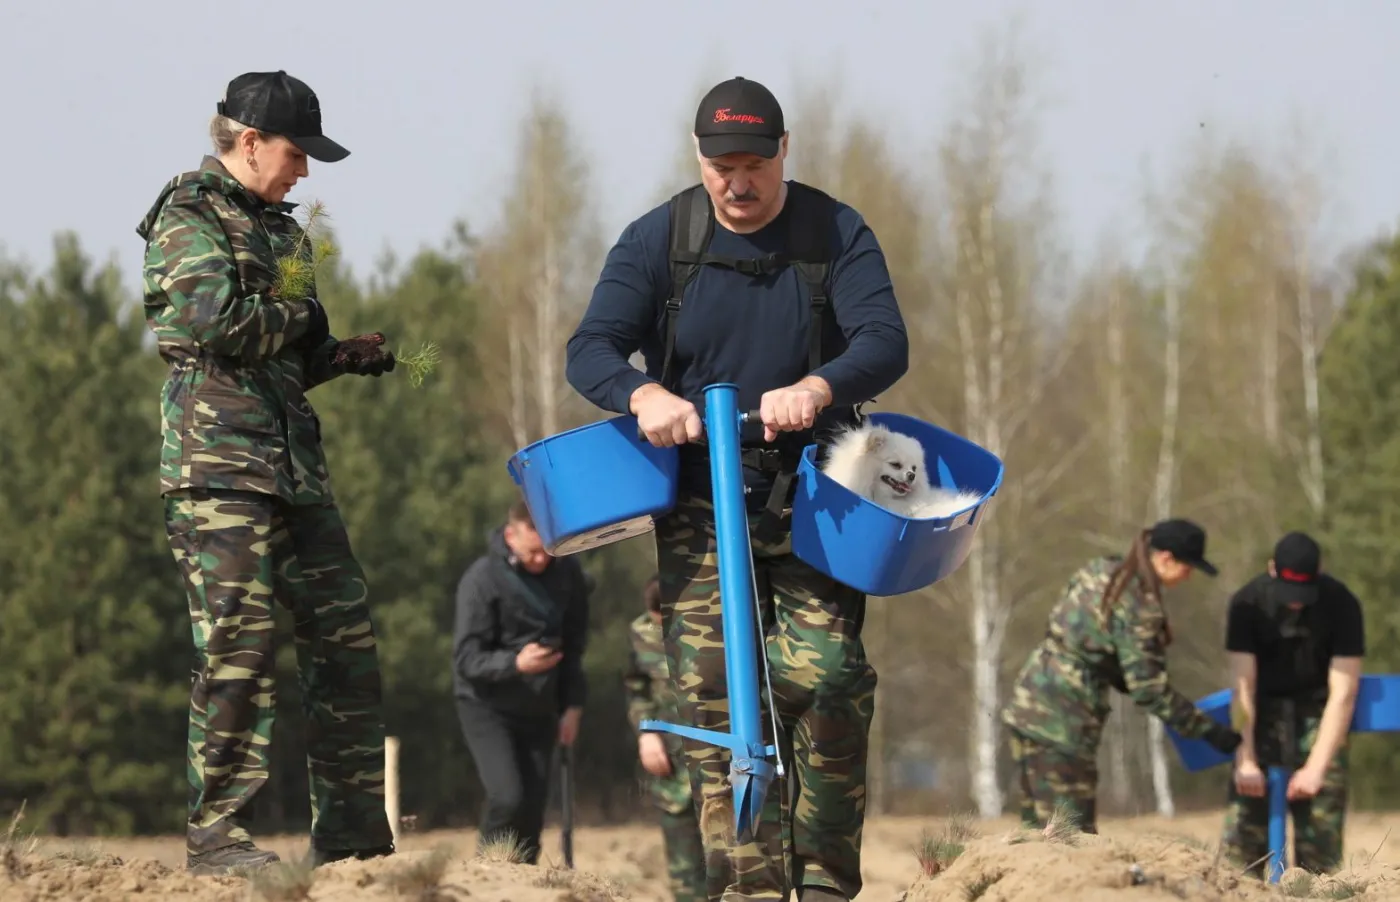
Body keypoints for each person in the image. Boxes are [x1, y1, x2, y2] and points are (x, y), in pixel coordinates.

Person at [565, 75, 908, 902]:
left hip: (814, 496)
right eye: (722, 167)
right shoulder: (661, 240)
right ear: (699, 158)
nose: (738, 183)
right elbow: (592, 348)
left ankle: (823, 878)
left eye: (755, 164)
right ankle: (746, 886)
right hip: (696, 503)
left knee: (824, 676)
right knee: (718, 696)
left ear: (784, 152)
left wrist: (820, 387)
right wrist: (642, 394)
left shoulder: (834, 231)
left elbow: (885, 340)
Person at [135, 70, 399, 876]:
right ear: (248, 143)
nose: (305, 172)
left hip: (292, 469)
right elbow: (215, 321)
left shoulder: (283, 232)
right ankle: (217, 837)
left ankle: (354, 838)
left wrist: (336, 355)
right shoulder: (187, 213)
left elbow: (280, 356)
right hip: (217, 469)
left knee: (346, 637)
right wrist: (298, 320)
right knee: (238, 648)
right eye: (295, 153)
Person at [999, 520, 1244, 834]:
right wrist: (1211, 732)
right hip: (1064, 724)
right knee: (1070, 836)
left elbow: (1077, 632)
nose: (1188, 575)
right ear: (1166, 558)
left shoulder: (1100, 570)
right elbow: (1150, 691)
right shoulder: (1141, 605)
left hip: (1028, 703)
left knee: (1036, 831)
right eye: (1188, 566)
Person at [451, 499, 592, 865]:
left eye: (547, 552)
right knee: (507, 797)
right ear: (510, 534)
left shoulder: (568, 573)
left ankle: (526, 880)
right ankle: (488, 872)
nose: (541, 561)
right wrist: (515, 663)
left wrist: (573, 706)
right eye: (532, 554)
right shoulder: (481, 579)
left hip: (541, 706)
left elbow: (575, 645)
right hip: (486, 705)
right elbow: (466, 659)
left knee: (532, 807)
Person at [1220, 531, 1365, 877]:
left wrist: (1316, 769)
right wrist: (1247, 759)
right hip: (1261, 713)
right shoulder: (1248, 603)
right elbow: (1243, 689)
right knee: (1242, 846)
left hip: (1320, 715)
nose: (1297, 602)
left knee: (1321, 841)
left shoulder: (1342, 603)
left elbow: (1343, 692)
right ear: (1273, 570)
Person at [623, 576, 707, 902]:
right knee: (685, 874)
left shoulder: (713, 627)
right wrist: (647, 733)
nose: (658, 626)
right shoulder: (640, 633)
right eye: (655, 620)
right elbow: (636, 688)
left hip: (721, 763)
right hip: (671, 766)